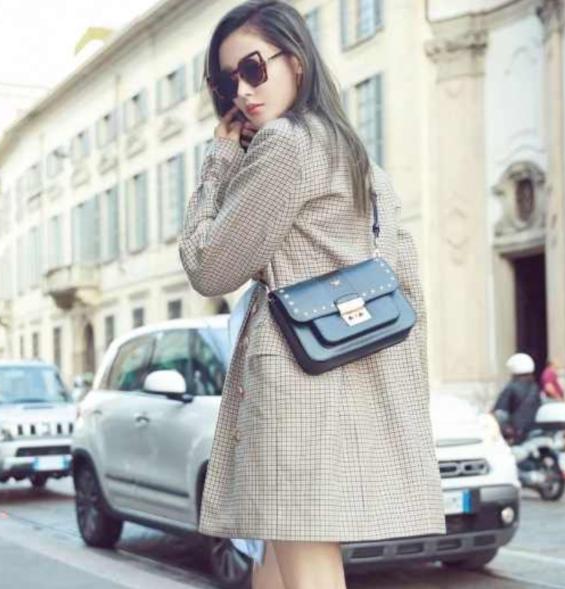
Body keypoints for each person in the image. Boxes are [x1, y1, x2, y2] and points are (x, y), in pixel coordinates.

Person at [177, 2, 446, 587]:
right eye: (225, 81)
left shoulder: (286, 143)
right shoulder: (358, 157)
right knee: (278, 566)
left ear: (295, 61)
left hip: (297, 390)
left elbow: (208, 267)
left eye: (253, 69)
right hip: (349, 381)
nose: (241, 92)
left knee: (305, 570)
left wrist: (219, 162)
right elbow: (404, 282)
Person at [492, 353, 542, 444]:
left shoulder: (511, 387)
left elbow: (500, 412)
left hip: (517, 434)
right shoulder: (535, 387)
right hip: (535, 430)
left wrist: (506, 429)